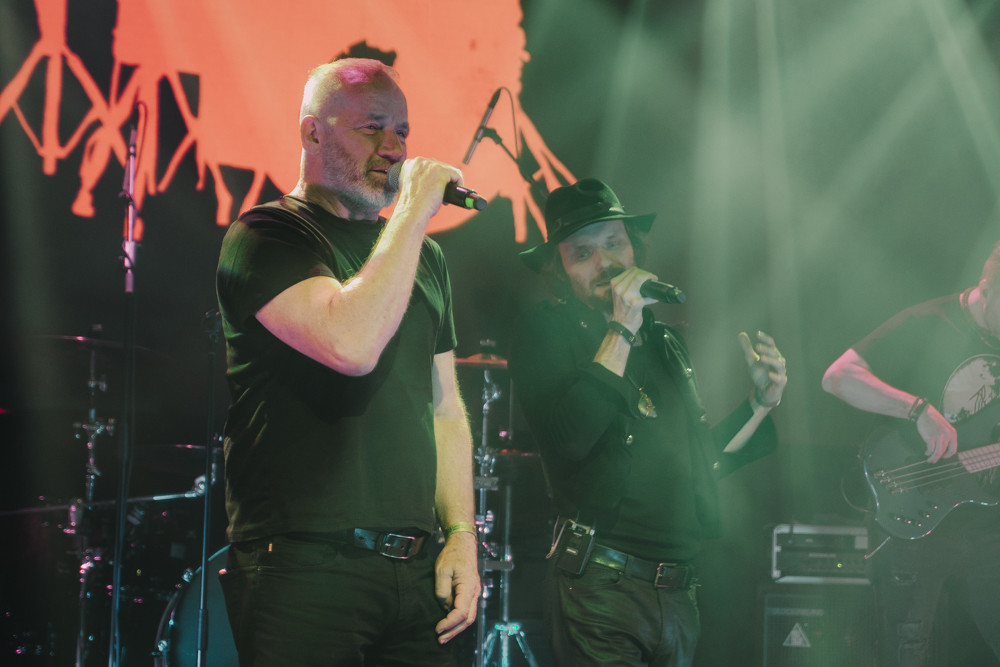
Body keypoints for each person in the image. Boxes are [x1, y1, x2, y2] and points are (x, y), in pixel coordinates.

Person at [215, 58, 480, 666]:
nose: (395, 148)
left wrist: (462, 535)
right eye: (372, 127)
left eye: (403, 131)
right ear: (313, 132)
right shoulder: (267, 236)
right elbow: (350, 346)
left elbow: (446, 410)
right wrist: (412, 210)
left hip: (415, 569)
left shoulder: (426, 258)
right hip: (304, 565)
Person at [508, 178, 788, 667]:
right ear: (561, 271)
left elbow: (701, 462)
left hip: (678, 592)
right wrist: (621, 325)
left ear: (635, 248)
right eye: (582, 254)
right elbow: (570, 437)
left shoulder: (664, 342)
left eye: (614, 244)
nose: (605, 263)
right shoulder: (547, 333)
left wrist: (760, 403)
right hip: (601, 586)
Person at [822, 241, 1000, 666]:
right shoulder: (928, 321)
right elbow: (838, 376)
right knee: (907, 650)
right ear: (989, 287)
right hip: (915, 508)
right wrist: (916, 409)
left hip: (988, 523)